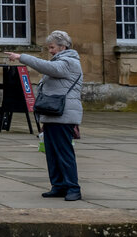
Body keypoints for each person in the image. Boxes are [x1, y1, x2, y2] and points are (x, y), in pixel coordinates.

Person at [6, 30, 83, 201]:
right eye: (49, 47)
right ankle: (58, 185)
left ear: (63, 46)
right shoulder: (60, 62)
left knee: (63, 153)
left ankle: (73, 187)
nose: (51, 51)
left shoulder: (69, 63)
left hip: (63, 116)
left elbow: (47, 67)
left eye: (52, 47)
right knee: (52, 153)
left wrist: (21, 57)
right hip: (52, 115)